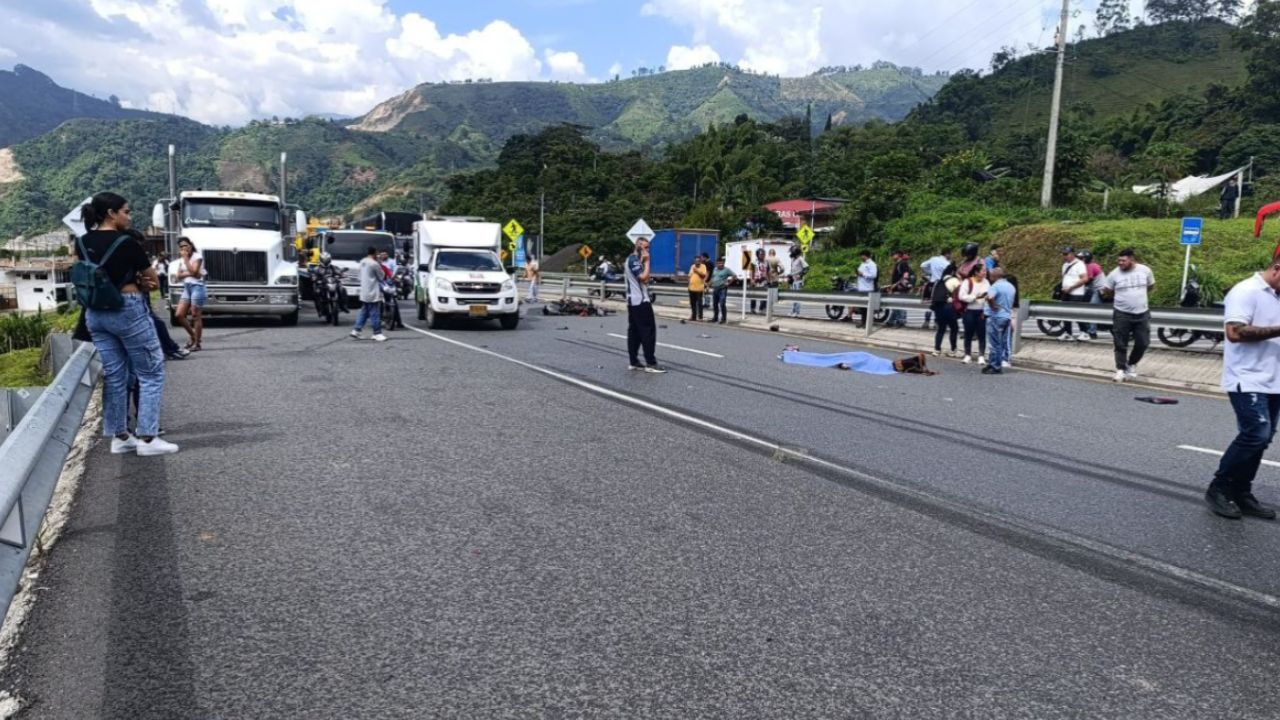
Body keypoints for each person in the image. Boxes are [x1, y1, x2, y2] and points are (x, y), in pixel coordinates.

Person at [74, 192, 178, 456]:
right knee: (151, 371)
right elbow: (153, 280)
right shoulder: (126, 242)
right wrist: (142, 282)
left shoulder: (82, 242)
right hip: (127, 310)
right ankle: (147, 438)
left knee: (116, 374)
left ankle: (120, 436)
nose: (129, 216)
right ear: (111, 213)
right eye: (126, 211)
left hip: (95, 314)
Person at [1204, 251, 1280, 520]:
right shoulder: (1246, 291)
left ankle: (1241, 491)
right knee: (1256, 433)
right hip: (1246, 378)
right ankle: (1219, 488)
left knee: (1263, 439)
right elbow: (1235, 333)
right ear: (1277, 269)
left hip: (1274, 379)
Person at [1101, 248, 1155, 383]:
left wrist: (1138, 296)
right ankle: (1120, 369)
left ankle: (1131, 364)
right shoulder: (1114, 275)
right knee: (1120, 342)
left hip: (1142, 312)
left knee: (1143, 342)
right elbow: (1107, 291)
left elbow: (1150, 286)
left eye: (1123, 260)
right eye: (1119, 260)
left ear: (1131, 259)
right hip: (1121, 313)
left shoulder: (1145, 270)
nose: (1120, 263)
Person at [625, 235, 665, 373]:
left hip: (633, 301)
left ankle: (634, 361)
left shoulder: (634, 260)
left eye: (648, 247)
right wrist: (647, 262)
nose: (648, 250)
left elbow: (644, 279)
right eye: (645, 247)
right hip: (640, 302)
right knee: (648, 332)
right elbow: (643, 278)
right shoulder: (633, 260)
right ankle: (651, 363)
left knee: (634, 332)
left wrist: (644, 262)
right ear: (638, 246)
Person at [173, 236, 206, 352]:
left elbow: (194, 273)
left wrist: (186, 261)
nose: (184, 248)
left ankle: (197, 343)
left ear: (190, 245)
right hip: (187, 287)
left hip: (197, 287)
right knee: (179, 315)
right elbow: (178, 275)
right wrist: (191, 272)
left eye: (185, 245)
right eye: (181, 246)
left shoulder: (198, 257)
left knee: (195, 315)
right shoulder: (182, 259)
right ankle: (193, 336)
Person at [349, 246, 388, 342]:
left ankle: (356, 330)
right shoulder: (374, 264)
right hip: (373, 291)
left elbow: (359, 275)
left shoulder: (362, 261)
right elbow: (381, 276)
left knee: (364, 311)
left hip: (364, 290)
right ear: (374, 253)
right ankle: (377, 333)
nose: (378, 255)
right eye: (377, 253)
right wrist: (380, 262)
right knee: (375, 312)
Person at [983, 268, 1016, 375]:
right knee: (1001, 342)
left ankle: (995, 366)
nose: (990, 278)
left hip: (996, 316)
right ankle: (993, 362)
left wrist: (993, 306)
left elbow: (990, 297)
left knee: (994, 343)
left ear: (995, 276)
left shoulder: (995, 286)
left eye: (991, 276)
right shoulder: (1011, 286)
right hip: (1006, 316)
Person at [958, 263, 990, 365]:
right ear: (976, 272)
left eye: (985, 271)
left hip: (981, 311)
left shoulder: (986, 282)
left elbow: (989, 296)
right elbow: (961, 296)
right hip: (969, 311)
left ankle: (981, 356)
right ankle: (967, 355)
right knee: (968, 333)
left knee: (982, 334)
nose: (985, 272)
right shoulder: (968, 281)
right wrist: (974, 297)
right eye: (983, 271)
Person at [1058, 247, 1090, 342]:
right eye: (1063, 254)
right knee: (1065, 313)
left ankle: (1084, 332)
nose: (1064, 256)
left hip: (1076, 293)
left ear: (1072, 254)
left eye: (1066, 254)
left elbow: (1084, 279)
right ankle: (1068, 333)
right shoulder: (1064, 265)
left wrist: (1071, 287)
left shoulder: (1079, 264)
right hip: (1066, 292)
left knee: (1076, 313)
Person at [930, 263, 961, 357]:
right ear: (953, 271)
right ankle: (953, 350)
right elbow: (960, 293)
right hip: (949, 308)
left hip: (938, 308)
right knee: (954, 328)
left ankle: (937, 349)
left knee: (941, 329)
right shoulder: (954, 280)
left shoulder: (938, 281)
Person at [920, 248, 950, 329]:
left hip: (931, 284)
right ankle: (937, 323)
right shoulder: (947, 263)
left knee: (929, 304)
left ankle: (926, 322)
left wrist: (930, 272)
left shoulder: (934, 259)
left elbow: (922, 265)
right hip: (941, 285)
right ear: (947, 254)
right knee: (939, 304)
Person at [886, 249, 913, 327]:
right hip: (896, 288)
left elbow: (905, 276)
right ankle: (892, 320)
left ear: (898, 255)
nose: (892, 256)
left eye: (893, 254)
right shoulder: (898, 264)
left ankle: (900, 321)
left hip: (900, 288)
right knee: (896, 305)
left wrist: (895, 284)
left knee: (899, 305)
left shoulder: (902, 264)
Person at [854, 249, 877, 326]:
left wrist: (863, 274)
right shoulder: (862, 264)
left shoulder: (872, 264)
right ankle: (863, 322)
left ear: (865, 256)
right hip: (861, 288)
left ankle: (868, 324)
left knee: (867, 307)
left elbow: (873, 275)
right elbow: (860, 274)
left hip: (868, 288)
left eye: (861, 255)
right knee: (862, 307)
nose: (860, 257)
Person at [709, 257, 734, 324]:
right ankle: (715, 317)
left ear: (723, 263)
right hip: (715, 288)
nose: (720, 264)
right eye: (718, 263)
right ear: (716, 263)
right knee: (715, 304)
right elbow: (713, 278)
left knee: (722, 303)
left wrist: (728, 283)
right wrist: (709, 285)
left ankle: (723, 318)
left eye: (721, 263)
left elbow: (734, 276)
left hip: (722, 289)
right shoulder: (715, 269)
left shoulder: (726, 270)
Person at [788, 246, 809, 318]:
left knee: (797, 297)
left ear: (795, 252)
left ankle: (797, 312)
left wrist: (800, 275)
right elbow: (793, 269)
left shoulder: (800, 259)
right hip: (793, 280)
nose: (791, 253)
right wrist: (790, 277)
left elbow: (806, 268)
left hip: (798, 281)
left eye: (792, 252)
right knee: (793, 297)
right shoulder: (793, 259)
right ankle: (793, 311)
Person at [687, 256, 707, 321]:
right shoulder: (692, 266)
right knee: (692, 303)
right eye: (696, 261)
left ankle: (700, 317)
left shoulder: (703, 266)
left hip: (699, 289)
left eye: (698, 261)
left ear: (700, 261)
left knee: (699, 304)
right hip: (691, 288)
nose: (697, 262)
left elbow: (703, 275)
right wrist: (689, 283)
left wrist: (697, 271)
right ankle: (693, 316)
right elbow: (689, 275)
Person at [750, 248, 769, 314]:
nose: (763, 255)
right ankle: (753, 308)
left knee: (764, 296)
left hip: (764, 281)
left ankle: (762, 309)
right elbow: (751, 271)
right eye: (761, 254)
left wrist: (768, 280)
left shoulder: (766, 262)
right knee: (754, 295)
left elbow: (768, 272)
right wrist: (751, 279)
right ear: (757, 255)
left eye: (763, 254)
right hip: (755, 280)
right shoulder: (753, 262)